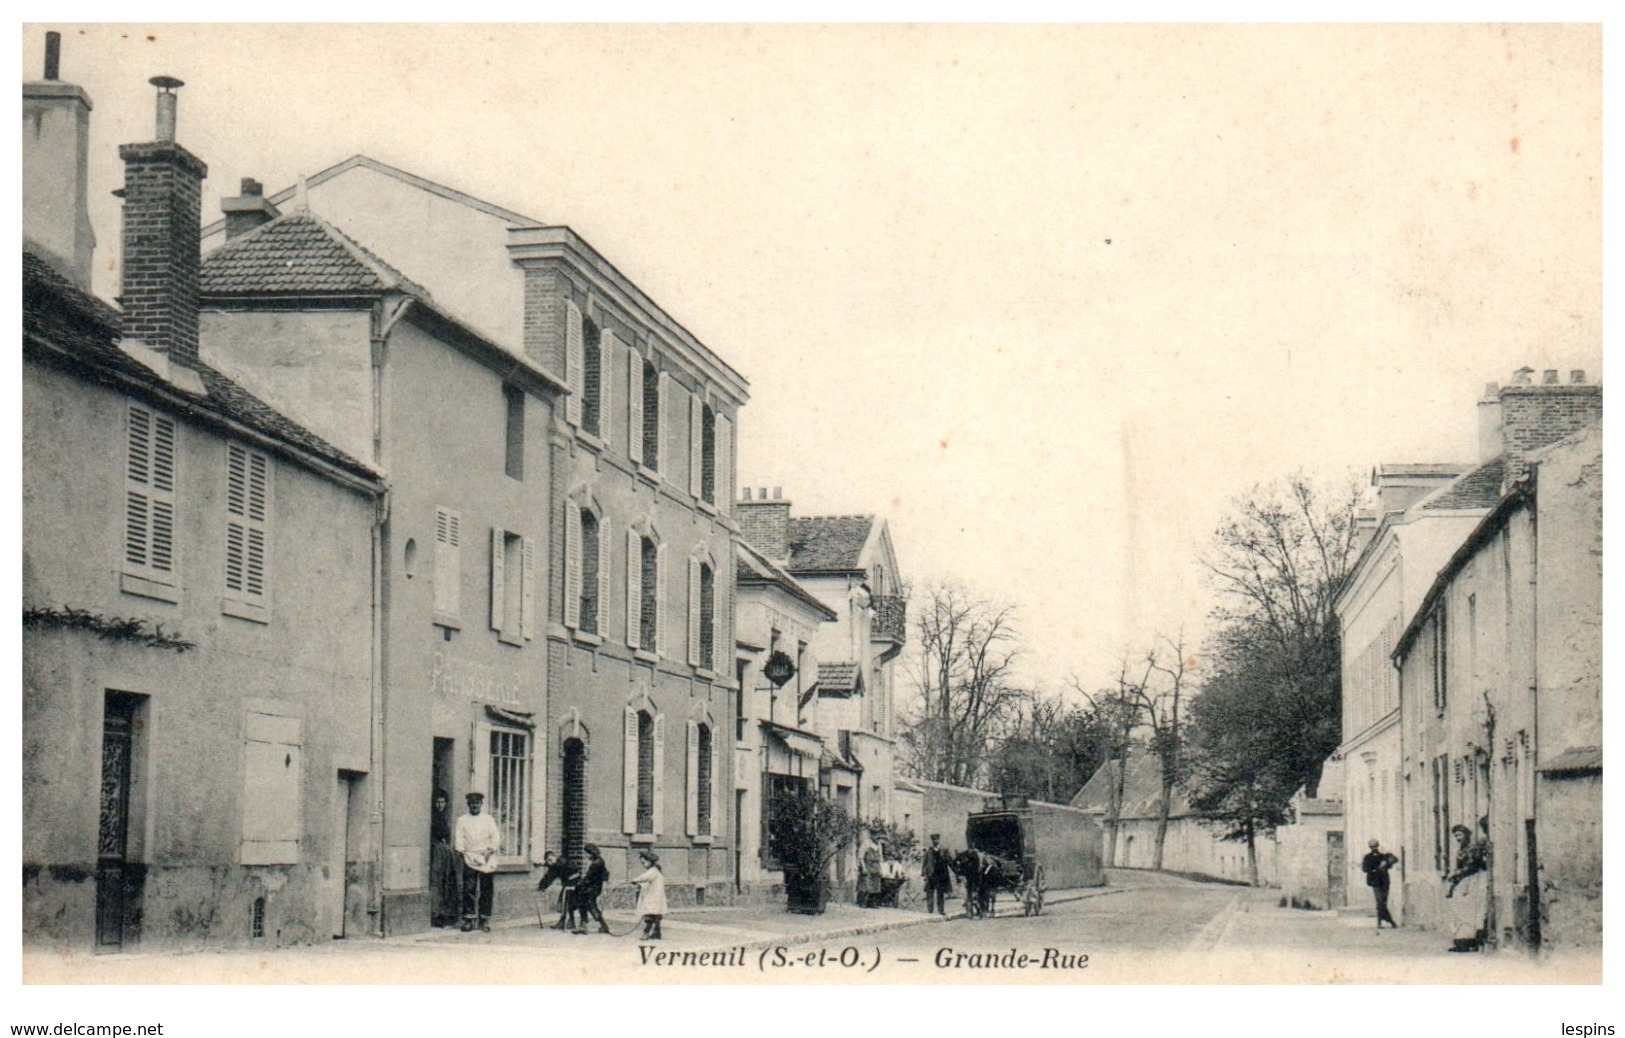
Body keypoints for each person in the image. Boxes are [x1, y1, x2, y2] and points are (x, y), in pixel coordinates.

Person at [454, 791, 501, 932]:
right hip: (470, 856)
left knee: (486, 889)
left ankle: (484, 919)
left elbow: (496, 838)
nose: (475, 806)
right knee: (469, 888)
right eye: (472, 803)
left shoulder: (488, 819)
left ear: (481, 804)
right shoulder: (462, 820)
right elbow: (459, 838)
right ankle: (468, 919)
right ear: (468, 804)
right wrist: (463, 851)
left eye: (477, 803)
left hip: (486, 857)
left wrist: (489, 851)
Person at [1444, 821, 1489, 952]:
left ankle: (1467, 940)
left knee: (1466, 910)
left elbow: (1471, 866)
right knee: (1458, 909)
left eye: (1460, 835)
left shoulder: (1471, 848)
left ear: (1466, 835)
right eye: (1456, 836)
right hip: (1464, 880)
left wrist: (1457, 873)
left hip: (1471, 880)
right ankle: (1462, 940)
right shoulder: (1463, 849)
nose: (1458, 838)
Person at [428, 789, 459, 927]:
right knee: (437, 881)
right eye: (437, 802)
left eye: (442, 802)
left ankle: (445, 913)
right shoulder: (432, 817)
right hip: (436, 852)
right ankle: (436, 914)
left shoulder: (443, 816)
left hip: (444, 852)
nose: (440, 805)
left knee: (447, 882)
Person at [572, 843, 611, 935]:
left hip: (591, 889)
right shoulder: (600, 861)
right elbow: (606, 873)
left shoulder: (595, 864)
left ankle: (601, 926)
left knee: (590, 906)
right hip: (595, 888)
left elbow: (588, 878)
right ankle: (584, 926)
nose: (585, 856)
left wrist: (579, 883)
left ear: (591, 853)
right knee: (584, 904)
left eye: (586, 854)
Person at [1361, 839, 1400, 929]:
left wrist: (1386, 860)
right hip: (1380, 881)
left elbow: (1394, 860)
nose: (1374, 847)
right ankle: (1389, 920)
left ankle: (1382, 922)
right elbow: (1365, 869)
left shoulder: (1377, 856)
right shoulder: (1378, 856)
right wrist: (1380, 867)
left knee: (1381, 902)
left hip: (1379, 881)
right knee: (1381, 902)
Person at [535, 850, 579, 930]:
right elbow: (549, 877)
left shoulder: (560, 863)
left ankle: (572, 922)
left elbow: (552, 874)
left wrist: (541, 887)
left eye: (550, 859)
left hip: (574, 884)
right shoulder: (557, 864)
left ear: (554, 856)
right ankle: (567, 922)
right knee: (566, 904)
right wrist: (540, 887)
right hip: (569, 884)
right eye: (548, 861)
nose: (550, 862)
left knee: (567, 903)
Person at [633, 850, 668, 940]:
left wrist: (635, 880)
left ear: (649, 861)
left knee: (649, 915)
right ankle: (657, 932)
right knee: (656, 915)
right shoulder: (655, 871)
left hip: (653, 898)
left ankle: (646, 932)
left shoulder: (653, 871)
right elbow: (648, 883)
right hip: (655, 897)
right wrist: (639, 884)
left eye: (644, 862)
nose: (643, 864)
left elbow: (645, 878)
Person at [922, 833, 954, 915]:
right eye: (933, 840)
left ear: (939, 840)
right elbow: (924, 863)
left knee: (940, 893)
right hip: (931, 875)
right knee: (930, 892)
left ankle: (941, 910)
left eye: (936, 840)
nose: (935, 841)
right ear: (932, 841)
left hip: (941, 875)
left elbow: (950, 861)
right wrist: (924, 874)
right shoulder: (928, 851)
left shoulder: (944, 850)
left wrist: (956, 871)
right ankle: (930, 910)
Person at [856, 829, 884, 908]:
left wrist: (881, 869)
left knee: (876, 885)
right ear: (870, 835)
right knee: (866, 884)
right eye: (874, 834)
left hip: (876, 865)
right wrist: (863, 867)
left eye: (877, 834)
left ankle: (872, 903)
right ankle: (863, 902)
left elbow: (880, 857)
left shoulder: (879, 844)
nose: (875, 836)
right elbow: (861, 856)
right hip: (867, 864)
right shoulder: (866, 843)